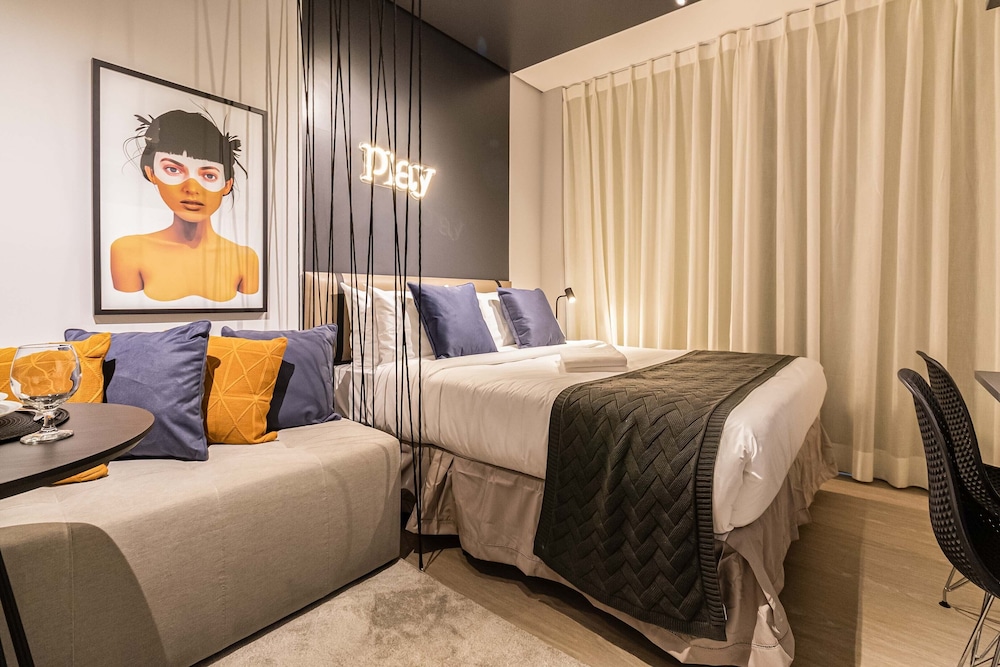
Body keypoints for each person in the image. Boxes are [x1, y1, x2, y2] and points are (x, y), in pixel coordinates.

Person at [111, 110, 260, 302]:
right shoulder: (128, 251)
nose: (192, 188)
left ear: (226, 184)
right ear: (151, 173)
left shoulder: (245, 258)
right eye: (173, 170)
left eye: (209, 175)